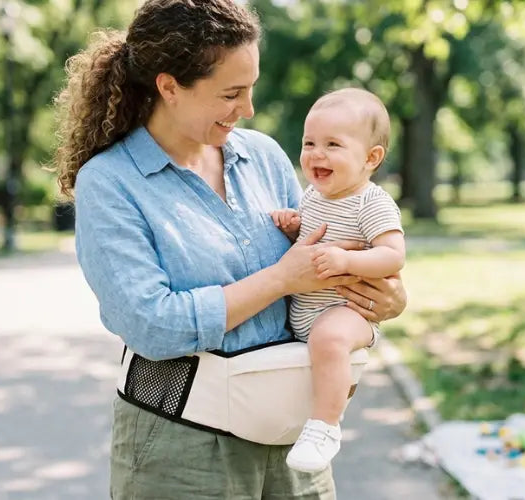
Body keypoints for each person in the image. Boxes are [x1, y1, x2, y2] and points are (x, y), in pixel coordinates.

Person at [53, 1, 408, 498]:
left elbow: (322, 261)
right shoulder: (112, 182)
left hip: (290, 434)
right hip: (181, 447)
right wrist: (281, 278)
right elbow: (151, 323)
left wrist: (383, 298)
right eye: (231, 93)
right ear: (169, 86)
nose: (248, 109)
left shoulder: (262, 157)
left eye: (251, 88)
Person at [269, 88, 406, 473]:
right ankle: (309, 419)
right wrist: (293, 227)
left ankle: (326, 428)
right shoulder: (313, 196)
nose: (316, 153)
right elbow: (309, 246)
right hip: (308, 313)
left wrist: (348, 258)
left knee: (329, 340)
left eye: (332, 144)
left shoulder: (371, 202)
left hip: (347, 311)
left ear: (370, 158)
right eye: (309, 142)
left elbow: (394, 254)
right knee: (313, 354)